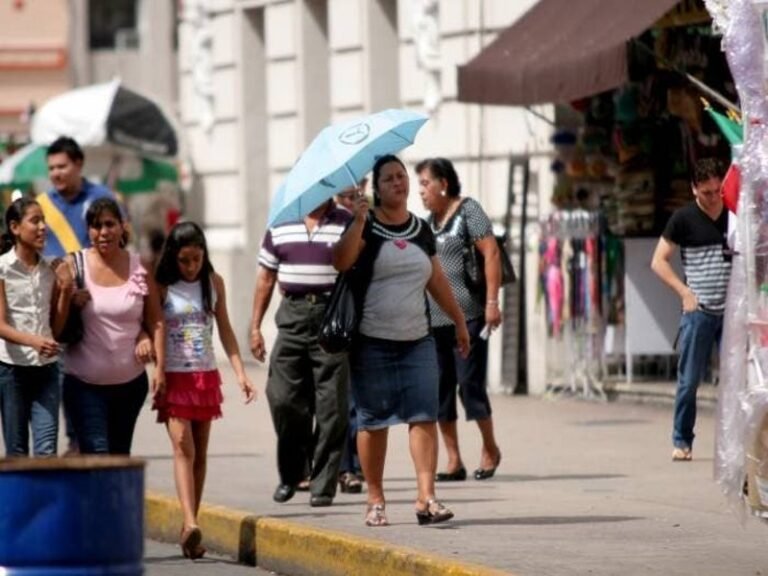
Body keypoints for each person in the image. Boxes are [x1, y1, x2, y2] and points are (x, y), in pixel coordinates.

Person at [332, 154, 470, 527]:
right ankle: (374, 499)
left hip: (418, 340)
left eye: (402, 176)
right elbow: (340, 262)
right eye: (390, 179)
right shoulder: (366, 225)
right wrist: (358, 220)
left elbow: (436, 279)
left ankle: (426, 497)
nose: (399, 183)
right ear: (376, 188)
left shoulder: (421, 229)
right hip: (371, 341)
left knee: (425, 415)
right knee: (373, 422)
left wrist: (458, 321)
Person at [153, 221, 256, 559]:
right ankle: (190, 520)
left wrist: (241, 373)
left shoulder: (213, 284)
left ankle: (189, 529)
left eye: (196, 259)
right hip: (175, 377)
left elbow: (224, 329)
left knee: (199, 452)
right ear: (173, 257)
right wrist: (158, 370)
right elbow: (154, 329)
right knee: (184, 448)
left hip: (205, 376)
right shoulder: (163, 287)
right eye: (184, 260)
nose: (191, 266)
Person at [250, 198, 351, 508]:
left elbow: (356, 268)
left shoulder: (346, 221)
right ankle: (293, 473)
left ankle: (322, 484)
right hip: (291, 315)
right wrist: (254, 326)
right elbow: (266, 277)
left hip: (330, 315)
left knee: (332, 406)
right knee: (281, 398)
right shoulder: (280, 222)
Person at [416, 157, 503, 482]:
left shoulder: (469, 211)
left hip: (468, 317)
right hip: (432, 323)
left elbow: (491, 253)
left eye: (425, 183)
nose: (421, 191)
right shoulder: (426, 224)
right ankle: (454, 460)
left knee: (470, 386)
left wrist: (493, 302)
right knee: (440, 391)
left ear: (444, 184)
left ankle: (490, 448)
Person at [62, 197, 165, 455]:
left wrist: (158, 364)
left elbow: (156, 320)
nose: (103, 232)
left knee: (119, 457)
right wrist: (69, 300)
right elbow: (55, 323)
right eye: (96, 226)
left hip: (130, 386)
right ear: (88, 231)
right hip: (84, 384)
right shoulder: (73, 265)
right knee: (97, 454)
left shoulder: (139, 267)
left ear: (122, 226)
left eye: (109, 224)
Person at [651, 158, 730, 462]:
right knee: (689, 381)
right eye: (707, 192)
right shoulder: (683, 219)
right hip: (698, 311)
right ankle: (682, 439)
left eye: (717, 191)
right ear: (694, 189)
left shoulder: (734, 215)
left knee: (737, 381)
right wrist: (684, 292)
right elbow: (659, 260)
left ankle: (734, 442)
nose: (713, 198)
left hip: (730, 313)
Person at [40, 136, 114, 455]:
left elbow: (115, 251)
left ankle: (94, 438)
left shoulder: (101, 198)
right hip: (55, 305)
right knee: (62, 374)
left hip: (96, 304)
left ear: (79, 164)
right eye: (52, 168)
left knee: (95, 373)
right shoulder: (41, 206)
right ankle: (73, 440)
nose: (56, 173)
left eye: (62, 166)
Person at [0, 198, 71, 456]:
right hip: (11, 371)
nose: (43, 227)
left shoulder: (52, 267)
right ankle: (18, 499)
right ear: (15, 227)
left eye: (44, 221)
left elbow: (57, 328)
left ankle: (44, 499)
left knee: (47, 450)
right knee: (16, 452)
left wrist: (66, 290)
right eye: (35, 221)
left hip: (47, 370)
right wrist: (33, 341)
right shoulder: (2, 269)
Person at [334, 177, 370, 494]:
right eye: (345, 195)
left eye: (357, 190)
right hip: (339, 319)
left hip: (368, 316)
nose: (351, 199)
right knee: (342, 399)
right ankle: (345, 466)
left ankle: (357, 465)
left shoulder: (370, 218)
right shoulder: (336, 224)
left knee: (360, 399)